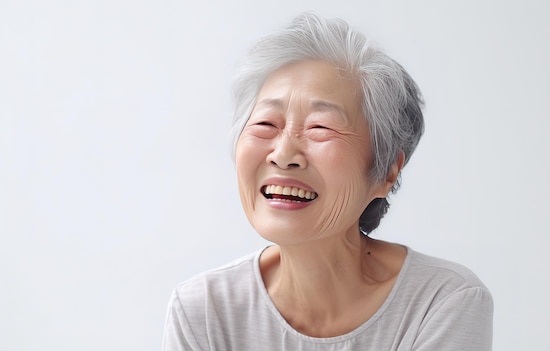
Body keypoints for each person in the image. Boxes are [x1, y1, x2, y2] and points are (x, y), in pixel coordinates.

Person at [162, 12, 493, 351]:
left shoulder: (442, 302)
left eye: (320, 127)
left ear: (386, 172)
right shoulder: (203, 311)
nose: (283, 152)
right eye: (266, 124)